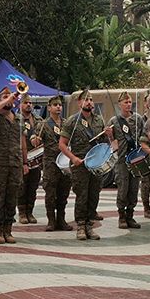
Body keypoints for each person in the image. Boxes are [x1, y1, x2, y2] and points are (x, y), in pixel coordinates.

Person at [59, 90, 110, 241]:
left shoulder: (99, 120)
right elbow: (62, 144)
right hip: (80, 164)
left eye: (91, 99)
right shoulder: (72, 121)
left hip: (96, 163)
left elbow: (104, 143)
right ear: (79, 103)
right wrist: (73, 158)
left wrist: (109, 134)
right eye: (86, 99)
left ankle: (89, 226)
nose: (89, 102)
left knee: (94, 195)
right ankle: (80, 226)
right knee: (82, 195)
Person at [0, 87, 26, 244]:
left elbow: (21, 143)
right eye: (5, 96)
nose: (10, 98)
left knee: (11, 198)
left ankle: (8, 229)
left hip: (15, 164)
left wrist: (24, 162)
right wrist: (5, 101)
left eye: (10, 96)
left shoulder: (17, 118)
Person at [35, 96, 71, 231]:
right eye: (55, 105)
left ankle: (61, 219)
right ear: (49, 108)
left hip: (64, 162)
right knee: (50, 193)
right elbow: (35, 138)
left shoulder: (66, 123)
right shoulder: (43, 124)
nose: (58, 107)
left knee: (63, 192)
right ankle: (51, 220)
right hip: (50, 163)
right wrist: (35, 140)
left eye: (60, 105)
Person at [110, 92, 143, 229]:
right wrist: (110, 137)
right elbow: (111, 141)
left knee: (134, 188)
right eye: (125, 102)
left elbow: (142, 135)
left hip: (136, 158)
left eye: (130, 102)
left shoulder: (138, 119)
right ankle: (121, 216)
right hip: (122, 159)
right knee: (123, 188)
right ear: (119, 104)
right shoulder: (114, 121)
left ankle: (130, 215)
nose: (128, 104)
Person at [18, 93, 42, 226]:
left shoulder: (38, 119)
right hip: (22, 156)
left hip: (36, 157)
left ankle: (30, 211)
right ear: (20, 104)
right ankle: (22, 212)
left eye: (30, 103)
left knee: (33, 186)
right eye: (26, 103)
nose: (28, 105)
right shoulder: (17, 119)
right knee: (22, 186)